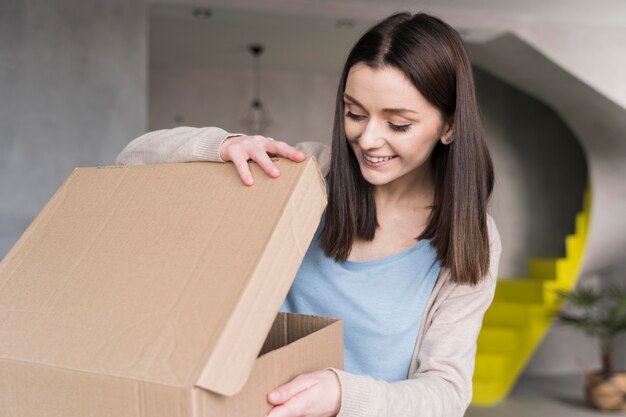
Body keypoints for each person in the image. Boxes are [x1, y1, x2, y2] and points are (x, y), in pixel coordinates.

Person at [116, 11, 501, 417]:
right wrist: (222, 146)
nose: (368, 139)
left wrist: (342, 393)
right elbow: (130, 162)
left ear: (450, 127)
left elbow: (446, 393)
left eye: (398, 124)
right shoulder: (307, 174)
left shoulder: (470, 235)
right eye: (355, 113)